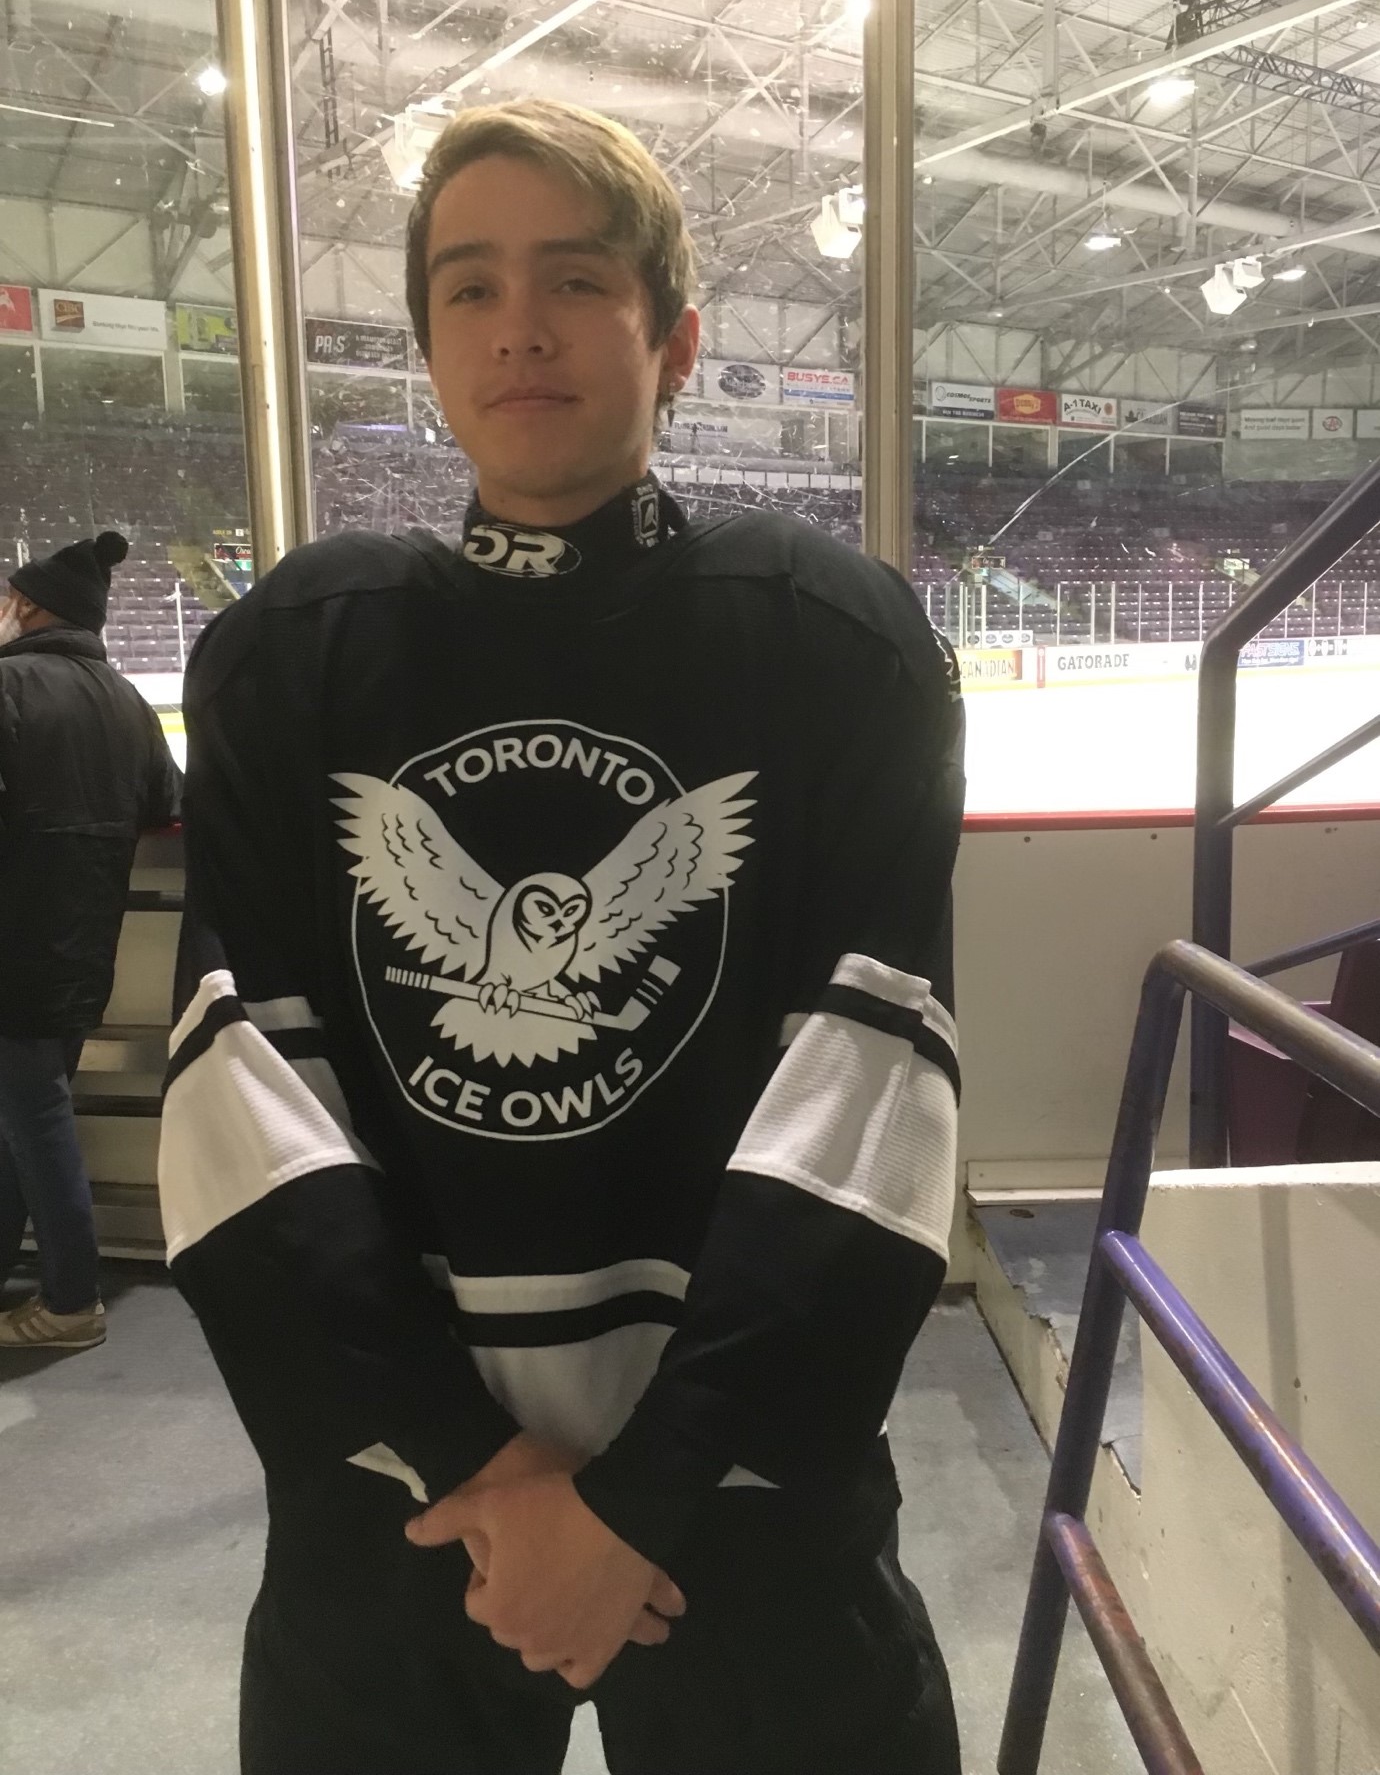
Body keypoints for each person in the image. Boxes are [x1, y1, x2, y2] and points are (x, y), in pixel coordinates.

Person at [160, 98, 966, 1775]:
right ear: (430, 345)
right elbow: (245, 1097)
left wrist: (650, 1491)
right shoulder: (296, 656)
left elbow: (870, 1085)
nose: (518, 323)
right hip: (405, 1499)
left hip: (744, 1500)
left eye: (574, 278)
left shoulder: (832, 643)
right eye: (468, 287)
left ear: (672, 340)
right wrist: (478, 1467)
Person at [0, 532, 180, 1350]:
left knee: (34, 1117)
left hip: (10, 947)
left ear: (30, 607)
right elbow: (163, 809)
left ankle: (72, 1300)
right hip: (79, 953)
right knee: (22, 1113)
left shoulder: (6, 685)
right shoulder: (126, 703)